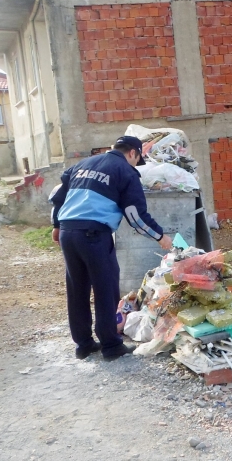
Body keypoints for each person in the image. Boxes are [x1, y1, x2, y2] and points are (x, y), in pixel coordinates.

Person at [49, 135, 173, 361]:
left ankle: (84, 344)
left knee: (77, 289)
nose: (136, 164)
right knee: (105, 288)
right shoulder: (125, 171)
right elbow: (135, 216)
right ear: (132, 153)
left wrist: (57, 226)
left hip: (68, 233)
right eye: (137, 160)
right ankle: (110, 346)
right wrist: (160, 237)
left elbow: (57, 196)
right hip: (94, 235)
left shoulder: (83, 164)